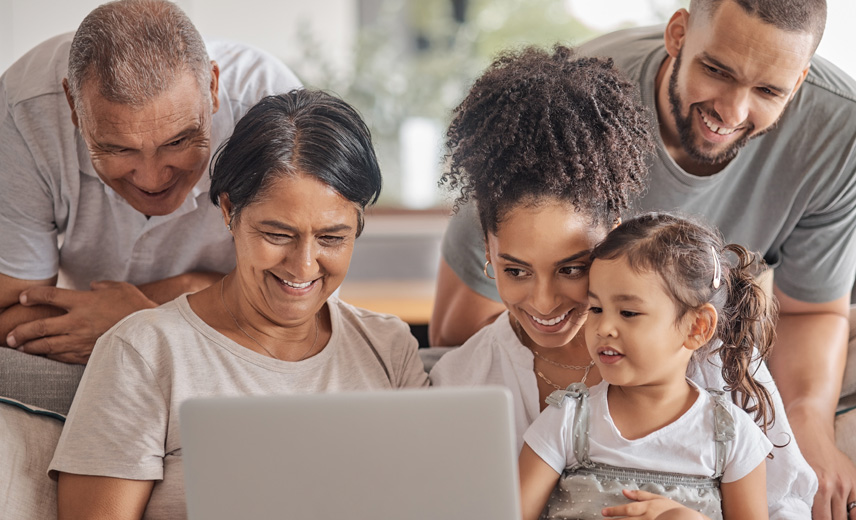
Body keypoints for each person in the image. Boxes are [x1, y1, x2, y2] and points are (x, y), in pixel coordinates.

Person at [431, 1, 856, 515]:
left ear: (613, 237)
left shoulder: (709, 364)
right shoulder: (472, 376)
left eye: (573, 267)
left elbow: (784, 501)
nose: (545, 300)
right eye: (515, 269)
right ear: (489, 253)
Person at [48, 90, 430, 519]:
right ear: (229, 212)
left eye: (332, 238)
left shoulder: (388, 347)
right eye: (277, 235)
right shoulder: (143, 352)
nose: (303, 265)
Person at [0, 0, 301, 364]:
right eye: (118, 149)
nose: (152, 179)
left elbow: (295, 302)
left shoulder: (279, 118)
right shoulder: (21, 111)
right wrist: (213, 298)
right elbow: (11, 315)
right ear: (73, 107)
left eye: (178, 141)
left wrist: (139, 316)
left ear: (212, 86)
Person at [519, 212, 774, 520]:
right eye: (597, 308)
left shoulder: (731, 437)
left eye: (628, 312)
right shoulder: (567, 421)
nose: (603, 328)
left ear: (698, 327)